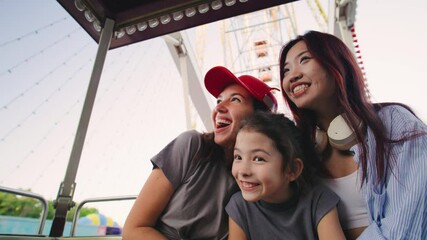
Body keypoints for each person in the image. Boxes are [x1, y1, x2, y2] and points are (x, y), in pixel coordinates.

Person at [279, 30, 427, 240]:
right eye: (285, 70)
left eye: (305, 60)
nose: (292, 76)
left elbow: (403, 229)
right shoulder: (298, 147)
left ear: (337, 64)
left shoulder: (395, 122)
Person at [122, 66, 278, 240]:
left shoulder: (263, 181)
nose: (219, 108)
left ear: (259, 118)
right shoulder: (192, 145)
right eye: (219, 101)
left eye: (235, 100)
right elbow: (133, 230)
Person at [226, 111, 345, 240]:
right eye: (238, 157)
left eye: (258, 159)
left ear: (292, 170)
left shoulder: (318, 200)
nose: (243, 171)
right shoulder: (239, 207)